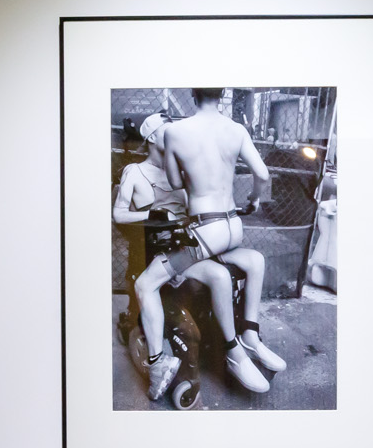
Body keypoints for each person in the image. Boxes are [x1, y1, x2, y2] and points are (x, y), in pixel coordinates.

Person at [116, 113, 248, 401]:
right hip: (157, 252)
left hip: (185, 249)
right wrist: (150, 213)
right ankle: (157, 360)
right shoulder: (134, 173)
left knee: (221, 275)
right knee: (148, 285)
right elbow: (117, 213)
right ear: (152, 137)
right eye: (169, 131)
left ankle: (232, 347)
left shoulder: (179, 172)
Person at [161, 88, 284, 392]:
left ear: (193, 93)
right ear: (222, 94)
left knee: (157, 273)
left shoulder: (175, 131)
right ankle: (250, 335)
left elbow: (176, 183)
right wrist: (253, 200)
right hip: (233, 226)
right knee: (255, 261)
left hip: (205, 229)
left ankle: (234, 349)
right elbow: (263, 174)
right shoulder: (237, 129)